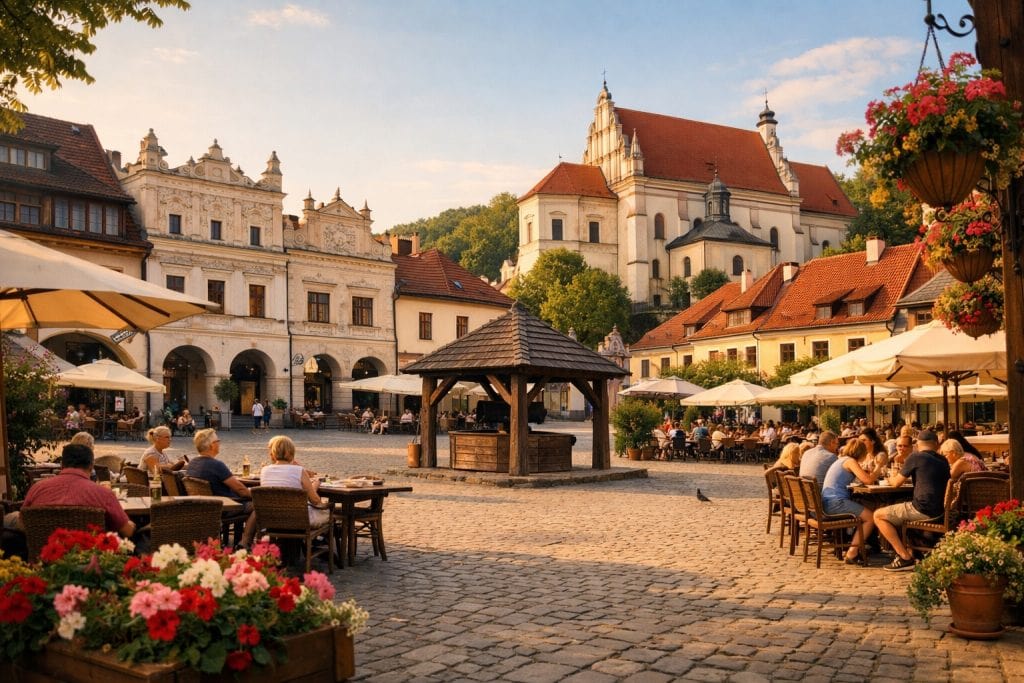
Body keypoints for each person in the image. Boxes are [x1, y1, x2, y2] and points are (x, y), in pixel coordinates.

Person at [14, 443, 136, 538]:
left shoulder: (37, 488)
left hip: (42, 562)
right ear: (91, 466)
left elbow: (22, 523)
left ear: (62, 465)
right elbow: (127, 531)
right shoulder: (103, 494)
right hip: (92, 563)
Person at [873, 430, 951, 571]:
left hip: (922, 509)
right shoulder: (943, 460)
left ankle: (904, 557)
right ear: (936, 444)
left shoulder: (916, 457)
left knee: (878, 515)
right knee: (899, 506)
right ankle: (910, 550)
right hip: (940, 510)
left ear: (918, 444)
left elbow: (896, 483)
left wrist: (889, 478)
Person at [186, 429, 255, 547]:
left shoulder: (192, 463)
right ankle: (245, 542)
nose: (220, 443)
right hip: (225, 507)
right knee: (260, 506)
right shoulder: (216, 465)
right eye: (218, 441)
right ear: (212, 445)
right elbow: (241, 491)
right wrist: (258, 496)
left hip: (203, 506)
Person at [821, 440, 883, 564]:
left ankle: (863, 546)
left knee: (866, 508)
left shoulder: (841, 460)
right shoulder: (850, 461)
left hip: (828, 501)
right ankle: (852, 552)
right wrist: (879, 467)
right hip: (836, 503)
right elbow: (868, 480)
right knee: (870, 518)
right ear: (861, 452)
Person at [259, 436, 330, 526]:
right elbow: (315, 501)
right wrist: (315, 486)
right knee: (328, 511)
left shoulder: (264, 470)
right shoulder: (299, 471)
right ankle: (324, 539)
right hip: (299, 519)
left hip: (272, 518)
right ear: (292, 452)